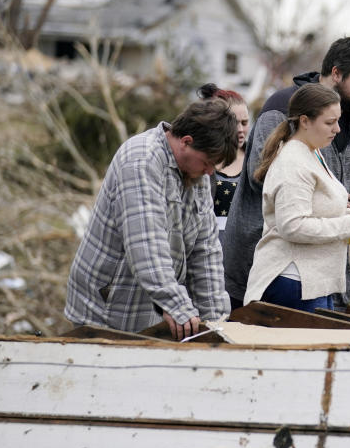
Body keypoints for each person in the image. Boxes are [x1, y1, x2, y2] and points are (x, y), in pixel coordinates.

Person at [222, 36, 350, 309]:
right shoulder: (282, 110)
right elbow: (261, 177)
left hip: (321, 269)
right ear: (336, 73)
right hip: (274, 268)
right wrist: (334, 207)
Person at [64, 100, 237, 340]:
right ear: (186, 142)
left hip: (147, 310)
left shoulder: (197, 176)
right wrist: (177, 306)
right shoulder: (141, 161)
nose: (210, 172)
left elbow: (206, 250)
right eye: (207, 163)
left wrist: (216, 323)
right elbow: (146, 245)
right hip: (104, 310)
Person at [244, 84, 350, 311]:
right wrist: (347, 224)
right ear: (305, 121)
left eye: (338, 121)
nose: (337, 129)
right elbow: (292, 226)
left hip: (311, 283)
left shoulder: (312, 152)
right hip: (294, 284)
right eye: (329, 123)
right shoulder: (293, 163)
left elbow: (313, 209)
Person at [196, 83, 251, 247]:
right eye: (235, 122)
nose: (240, 129)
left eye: (245, 122)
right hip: (205, 246)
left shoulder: (257, 160)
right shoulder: (200, 161)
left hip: (245, 252)